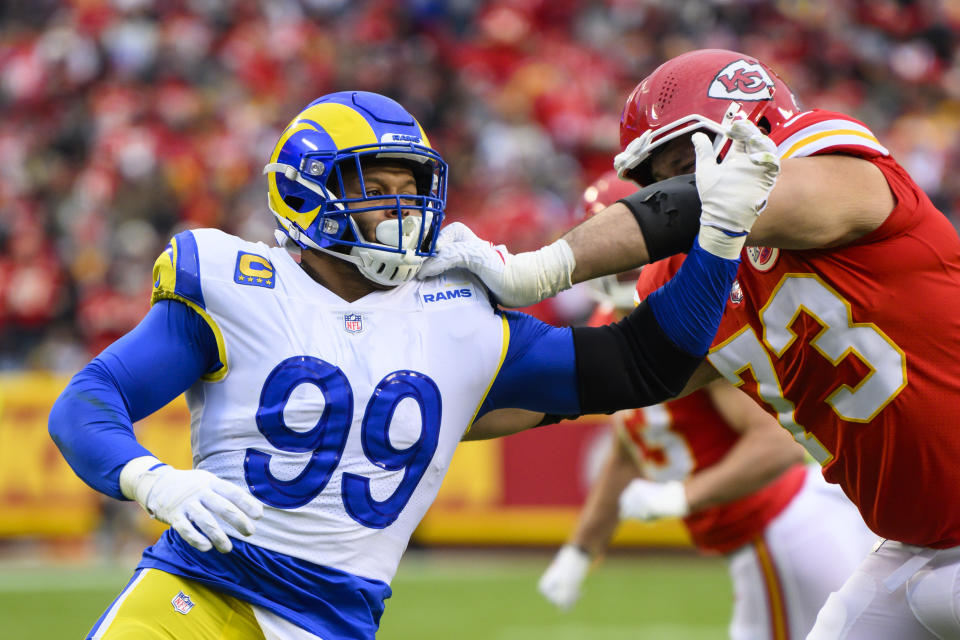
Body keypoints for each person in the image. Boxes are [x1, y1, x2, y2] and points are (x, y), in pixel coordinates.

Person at [48, 90, 780, 640]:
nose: (402, 209)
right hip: (203, 591)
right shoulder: (238, 283)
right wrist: (153, 479)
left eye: (413, 189)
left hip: (338, 621)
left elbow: (643, 367)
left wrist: (718, 239)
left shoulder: (460, 316)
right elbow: (90, 397)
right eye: (377, 187)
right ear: (309, 191)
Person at [422, 49, 960, 639]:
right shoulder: (697, 275)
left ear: (754, 122)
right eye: (660, 175)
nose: (674, 185)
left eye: (689, 158)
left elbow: (721, 200)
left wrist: (538, 269)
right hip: (913, 545)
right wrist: (427, 403)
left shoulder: (835, 161)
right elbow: (600, 374)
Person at [538, 171, 876, 639]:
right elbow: (627, 447)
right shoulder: (608, 327)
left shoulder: (685, 321)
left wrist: (681, 496)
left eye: (634, 247)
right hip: (756, 539)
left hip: (780, 525)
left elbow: (776, 447)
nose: (623, 264)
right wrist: (581, 548)